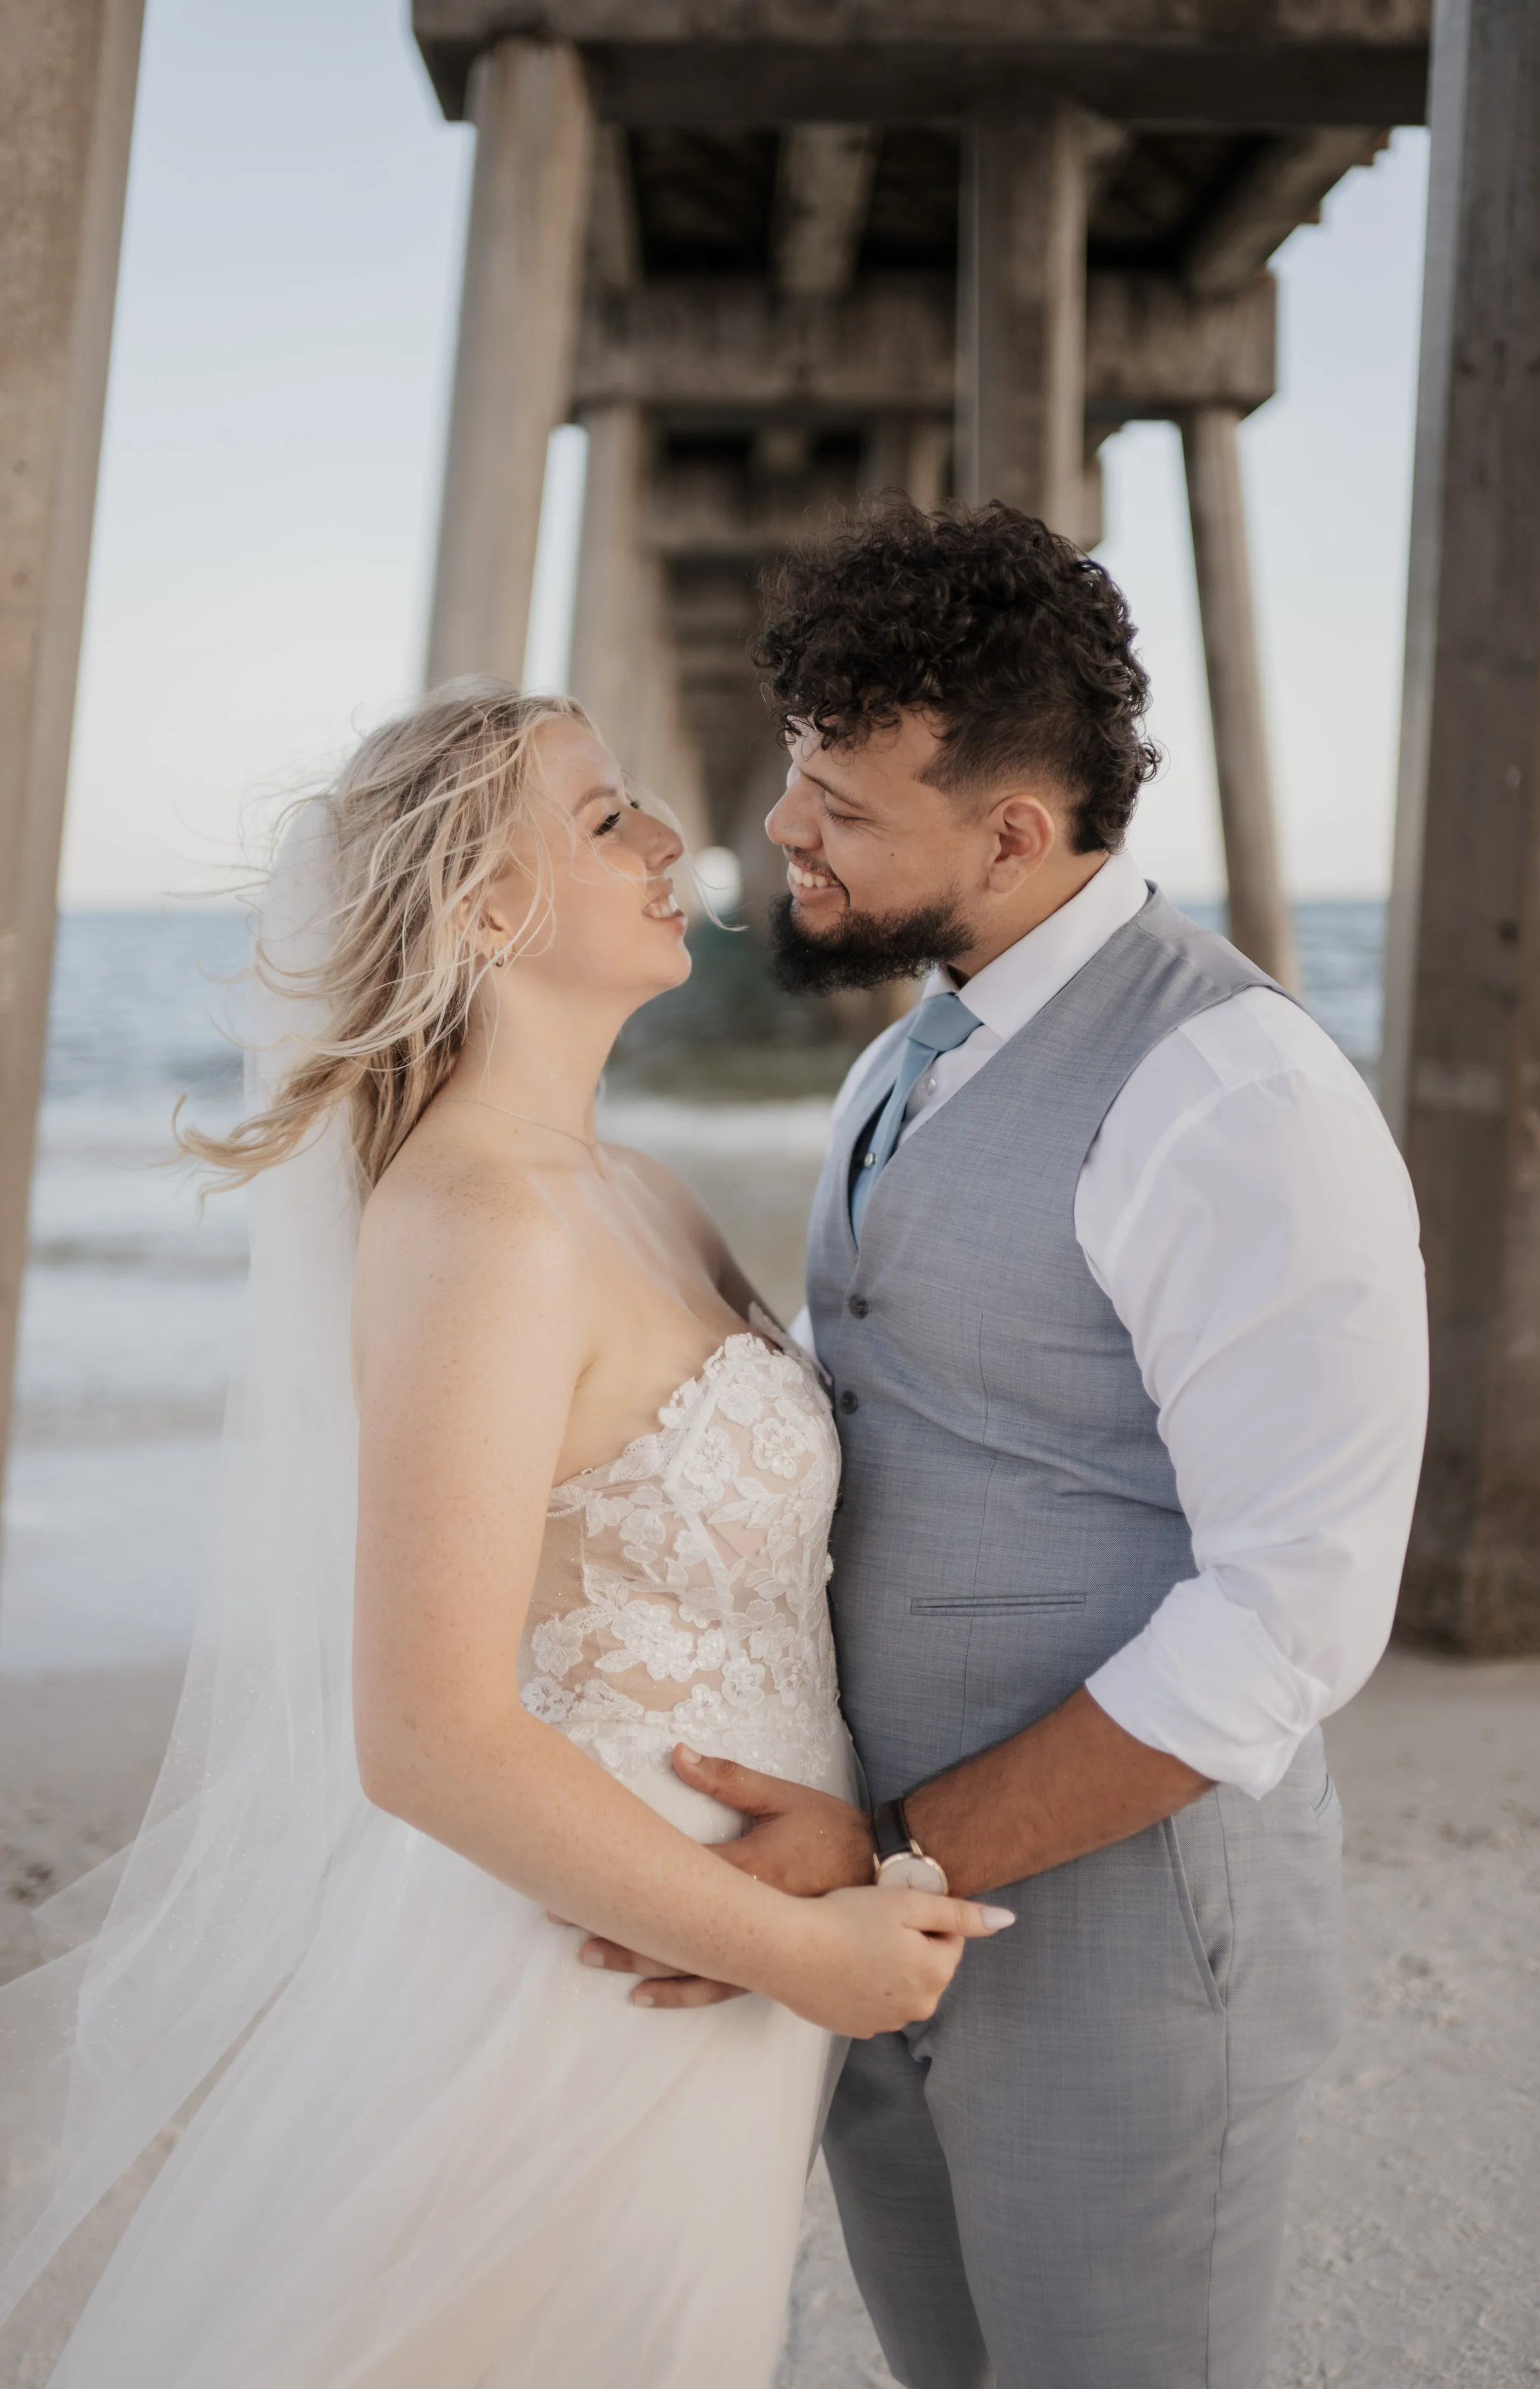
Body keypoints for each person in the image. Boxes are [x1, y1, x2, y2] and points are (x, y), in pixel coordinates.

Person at [0, 683, 1008, 2389]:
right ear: (484, 908)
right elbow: (427, 1735)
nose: (668, 839)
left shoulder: (641, 1192)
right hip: (584, 1979)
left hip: (717, 1966)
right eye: (604, 816)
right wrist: (795, 1953)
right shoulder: (474, 1220)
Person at [578, 503, 1429, 2389]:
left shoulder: (1235, 1095)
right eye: (794, 776)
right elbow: (873, 1400)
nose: (780, 830)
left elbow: (1290, 1617)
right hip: (871, 1915)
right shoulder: (907, 1055)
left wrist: (884, 1853)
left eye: (840, 804)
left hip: (1109, 1932)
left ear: (1013, 835)